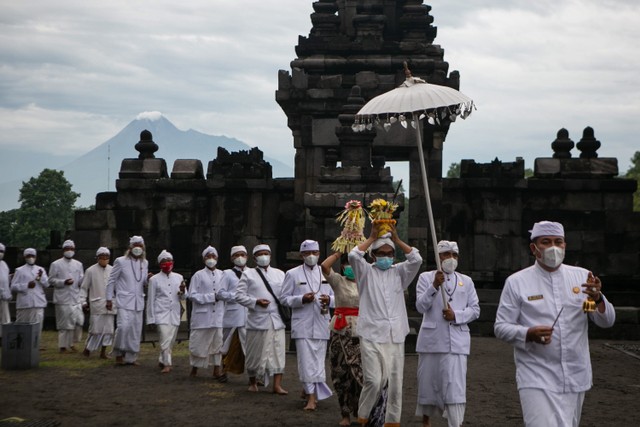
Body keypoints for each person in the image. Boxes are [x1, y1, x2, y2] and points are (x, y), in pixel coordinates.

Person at [494, 221, 616, 427]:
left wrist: (597, 299)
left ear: (565, 246)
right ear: (534, 248)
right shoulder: (517, 282)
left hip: (576, 375)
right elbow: (501, 327)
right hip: (536, 375)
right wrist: (528, 333)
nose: (553, 247)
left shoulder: (582, 278)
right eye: (546, 242)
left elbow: (605, 321)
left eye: (558, 242)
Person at [348, 221, 422, 427]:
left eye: (391, 253)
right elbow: (353, 256)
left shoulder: (399, 273)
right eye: (382, 253)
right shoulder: (364, 272)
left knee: (395, 384)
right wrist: (371, 237)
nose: (387, 257)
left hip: (395, 334)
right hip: (371, 334)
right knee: (374, 380)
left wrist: (397, 239)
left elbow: (416, 259)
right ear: (373, 255)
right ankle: (363, 417)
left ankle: (390, 421)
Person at [415, 240, 480, 427]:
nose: (450, 259)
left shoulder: (466, 281)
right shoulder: (426, 278)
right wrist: (434, 286)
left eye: (454, 255)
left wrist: (456, 315)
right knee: (428, 382)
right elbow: (420, 306)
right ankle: (426, 420)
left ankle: (455, 422)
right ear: (439, 256)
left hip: (457, 342)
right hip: (431, 341)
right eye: (446, 254)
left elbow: (475, 310)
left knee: (455, 386)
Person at [281, 239, 334, 411]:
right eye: (307, 253)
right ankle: (312, 397)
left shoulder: (326, 272)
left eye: (315, 253)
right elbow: (284, 298)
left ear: (319, 254)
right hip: (302, 323)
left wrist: (329, 300)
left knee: (318, 361)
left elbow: (338, 296)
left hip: (322, 321)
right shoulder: (292, 273)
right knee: (305, 361)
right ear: (301, 255)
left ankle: (310, 390)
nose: (311, 256)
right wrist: (301, 299)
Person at [235, 244, 288, 395]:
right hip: (257, 319)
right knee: (254, 352)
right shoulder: (248, 274)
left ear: (270, 256)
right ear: (254, 258)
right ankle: (253, 382)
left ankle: (277, 385)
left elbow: (285, 294)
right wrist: (255, 302)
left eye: (266, 253)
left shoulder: (280, 274)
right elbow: (239, 296)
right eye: (260, 254)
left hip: (276, 319)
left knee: (278, 352)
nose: (263, 256)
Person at [321, 251, 362, 426]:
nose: (350, 267)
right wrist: (340, 251)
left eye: (354, 264)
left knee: (362, 374)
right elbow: (324, 266)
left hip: (362, 332)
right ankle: (344, 414)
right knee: (341, 373)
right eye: (347, 264)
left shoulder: (366, 282)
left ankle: (363, 413)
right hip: (340, 330)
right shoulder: (338, 281)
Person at [187, 245, 231, 379]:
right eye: (208, 256)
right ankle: (194, 369)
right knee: (198, 343)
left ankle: (217, 369)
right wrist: (211, 297)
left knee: (218, 343)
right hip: (202, 317)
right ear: (203, 259)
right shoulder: (198, 275)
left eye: (213, 256)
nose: (211, 259)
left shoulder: (223, 275)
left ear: (217, 258)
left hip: (218, 315)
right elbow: (192, 295)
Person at [106, 236, 149, 366]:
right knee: (123, 327)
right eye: (135, 245)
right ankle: (118, 353)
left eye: (140, 245)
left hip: (138, 301)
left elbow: (143, 282)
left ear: (143, 247)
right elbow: (111, 280)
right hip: (124, 300)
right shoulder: (121, 261)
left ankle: (131, 357)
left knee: (135, 330)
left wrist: (149, 279)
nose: (138, 248)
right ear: (130, 247)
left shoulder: (144, 263)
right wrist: (109, 299)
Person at [146, 250, 186, 373]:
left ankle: (162, 359)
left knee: (171, 339)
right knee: (164, 337)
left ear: (172, 262)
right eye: (164, 261)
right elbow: (151, 299)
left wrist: (183, 291)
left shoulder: (179, 277)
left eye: (169, 261)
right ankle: (167, 364)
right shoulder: (154, 279)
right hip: (160, 312)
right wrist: (150, 318)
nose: (167, 263)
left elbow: (183, 298)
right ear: (160, 264)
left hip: (174, 312)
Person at [48, 239, 85, 352]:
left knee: (79, 321)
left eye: (71, 249)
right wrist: (63, 282)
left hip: (75, 297)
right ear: (63, 250)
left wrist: (84, 281)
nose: (69, 251)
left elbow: (81, 279)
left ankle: (73, 342)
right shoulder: (56, 264)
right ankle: (63, 346)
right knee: (64, 324)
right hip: (62, 297)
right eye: (67, 249)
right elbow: (51, 280)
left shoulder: (78, 264)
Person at [80, 247, 116, 358]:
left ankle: (103, 352)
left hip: (110, 305)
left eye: (106, 257)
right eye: (102, 257)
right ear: (98, 258)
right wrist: (83, 302)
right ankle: (88, 349)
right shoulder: (90, 271)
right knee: (95, 329)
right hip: (97, 304)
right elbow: (84, 288)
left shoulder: (113, 270)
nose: (104, 259)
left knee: (108, 330)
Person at [221, 245, 250, 371]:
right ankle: (224, 369)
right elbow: (220, 293)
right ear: (232, 258)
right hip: (233, 314)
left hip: (249, 314)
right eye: (237, 255)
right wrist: (237, 297)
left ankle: (253, 373)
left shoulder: (252, 273)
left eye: (242, 255)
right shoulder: (227, 274)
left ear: (247, 257)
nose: (240, 258)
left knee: (249, 345)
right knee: (226, 343)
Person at [10, 248, 50, 337]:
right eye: (29, 256)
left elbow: (47, 284)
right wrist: (26, 286)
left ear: (35, 257)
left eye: (33, 256)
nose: (31, 257)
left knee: (37, 326)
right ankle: (23, 345)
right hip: (25, 303)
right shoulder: (19, 270)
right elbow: (13, 286)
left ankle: (35, 345)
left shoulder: (40, 270)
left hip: (38, 302)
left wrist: (41, 277)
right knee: (23, 325)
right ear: (25, 257)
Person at [0, 243, 12, 341]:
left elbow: (5, 280)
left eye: (2, 251)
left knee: (4, 318)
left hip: (4, 297)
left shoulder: (4, 265)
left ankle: (3, 337)